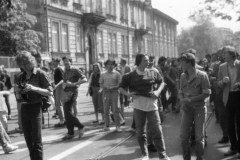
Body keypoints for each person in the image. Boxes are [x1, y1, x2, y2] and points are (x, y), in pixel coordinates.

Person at [119, 54, 170, 160]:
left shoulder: (153, 71)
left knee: (157, 131)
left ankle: (163, 156)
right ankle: (145, 154)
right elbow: (121, 88)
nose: (148, 62)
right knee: (140, 132)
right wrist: (128, 95)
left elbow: (162, 82)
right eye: (145, 60)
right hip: (139, 107)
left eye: (148, 60)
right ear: (139, 62)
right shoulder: (130, 75)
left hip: (152, 106)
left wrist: (157, 91)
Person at [15, 51, 53, 160]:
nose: (24, 66)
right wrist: (17, 91)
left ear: (32, 61)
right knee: (29, 141)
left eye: (26, 63)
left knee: (36, 141)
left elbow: (50, 92)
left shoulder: (40, 73)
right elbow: (18, 98)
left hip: (36, 108)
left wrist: (33, 88)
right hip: (24, 108)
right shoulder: (20, 77)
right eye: (21, 64)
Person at [178, 52, 211, 160]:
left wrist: (191, 99)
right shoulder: (183, 76)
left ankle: (199, 158)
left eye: (182, 62)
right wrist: (181, 99)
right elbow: (180, 91)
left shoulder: (202, 75)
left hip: (199, 109)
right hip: (186, 109)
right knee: (183, 137)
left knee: (198, 137)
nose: (180, 65)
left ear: (188, 63)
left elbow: (207, 93)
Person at [217, 46, 240, 158]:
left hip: (239, 95)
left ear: (232, 54)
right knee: (229, 124)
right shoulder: (222, 67)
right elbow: (218, 84)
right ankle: (233, 147)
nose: (223, 55)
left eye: (225, 53)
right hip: (228, 97)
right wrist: (223, 82)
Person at [58, 56, 87, 140]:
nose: (66, 63)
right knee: (67, 113)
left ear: (70, 61)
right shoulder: (65, 71)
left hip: (73, 92)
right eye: (64, 62)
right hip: (66, 92)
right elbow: (64, 81)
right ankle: (70, 133)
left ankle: (80, 126)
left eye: (67, 62)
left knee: (67, 112)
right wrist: (64, 85)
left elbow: (84, 79)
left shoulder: (75, 70)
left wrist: (74, 84)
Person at [99, 59, 122, 132]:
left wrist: (114, 87)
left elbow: (120, 84)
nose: (110, 66)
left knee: (115, 109)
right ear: (105, 66)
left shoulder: (117, 74)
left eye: (111, 64)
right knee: (106, 110)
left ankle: (118, 126)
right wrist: (103, 87)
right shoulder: (103, 74)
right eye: (108, 64)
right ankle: (107, 126)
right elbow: (100, 83)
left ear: (114, 65)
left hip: (114, 93)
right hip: (106, 93)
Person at [52, 58, 65, 127]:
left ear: (57, 62)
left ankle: (62, 121)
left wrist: (56, 85)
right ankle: (62, 120)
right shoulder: (56, 69)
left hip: (59, 88)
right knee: (58, 104)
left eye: (54, 61)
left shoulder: (59, 69)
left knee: (58, 104)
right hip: (57, 87)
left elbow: (62, 80)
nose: (53, 63)